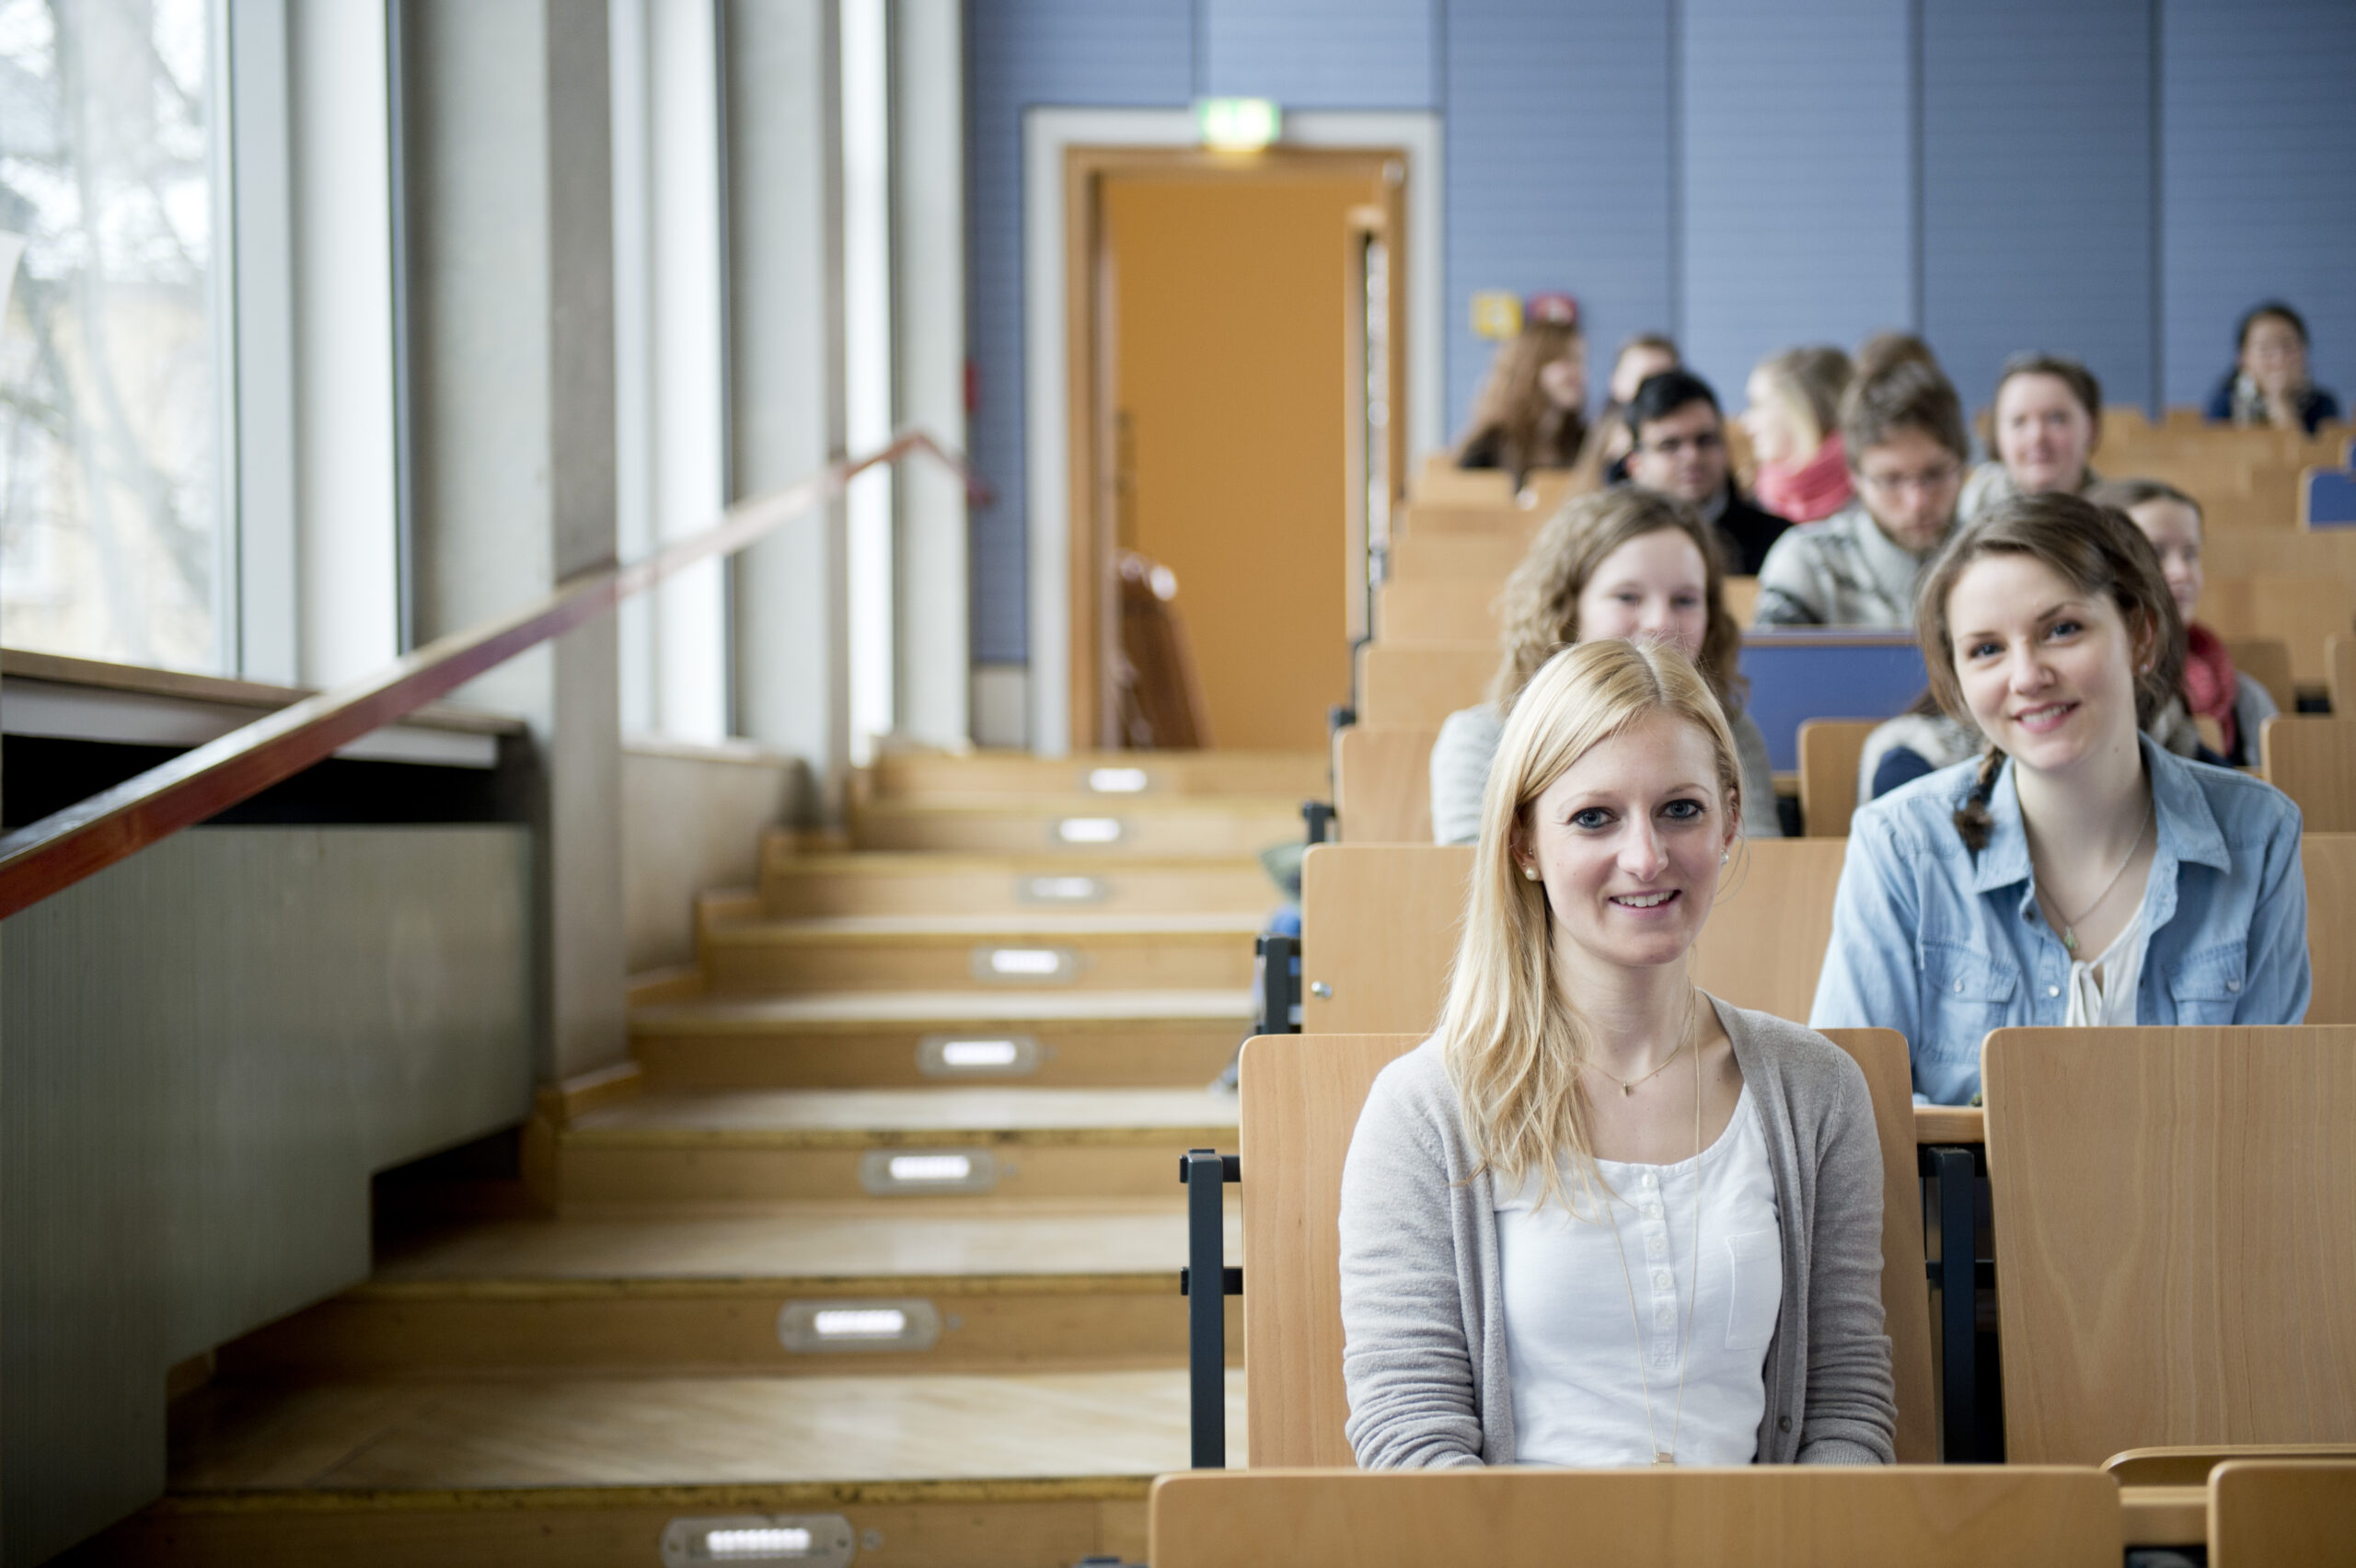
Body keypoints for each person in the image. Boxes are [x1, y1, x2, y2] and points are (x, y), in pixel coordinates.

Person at [1341, 638, 1898, 1470]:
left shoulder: (1814, 1090)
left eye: (1681, 809)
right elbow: (1410, 1434)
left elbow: (1848, 1409)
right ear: (1526, 843)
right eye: (1594, 817)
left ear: (1732, 819)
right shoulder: (1426, 1108)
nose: (1646, 856)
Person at [1812, 493, 2310, 1107]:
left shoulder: (2259, 834)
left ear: (2139, 634)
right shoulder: (1899, 842)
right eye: (1986, 649)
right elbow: (1846, 1115)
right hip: (1971, 1208)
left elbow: (2270, 1118)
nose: (2026, 676)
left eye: (2062, 629)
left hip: (2197, 1205)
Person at [1431, 489, 1782, 844]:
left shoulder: (1734, 732)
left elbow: (1764, 882)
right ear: (1567, 611)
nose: (1660, 622)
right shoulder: (1484, 739)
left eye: (1685, 600)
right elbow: (1486, 889)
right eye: (1627, 597)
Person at [1751, 359, 1969, 628]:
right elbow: (1773, 669)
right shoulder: (1809, 561)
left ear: (1962, 466)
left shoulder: (1996, 559)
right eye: (1890, 480)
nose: (1917, 503)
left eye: (1935, 474)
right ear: (1855, 477)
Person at [2093, 478, 2279, 767]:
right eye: (2155, 551)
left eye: (2190, 554)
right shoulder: (2089, 699)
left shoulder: (2246, 700)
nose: (2181, 572)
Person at [1622, 370, 1791, 575]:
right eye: (1670, 445)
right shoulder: (1614, 545)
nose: (1692, 456)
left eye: (1705, 440)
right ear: (1636, 465)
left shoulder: (1779, 545)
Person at [1958, 353, 2103, 522]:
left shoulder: (2115, 513)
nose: (2037, 437)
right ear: (1997, 434)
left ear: (2091, 428)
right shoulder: (1967, 509)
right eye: (2019, 421)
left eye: (2056, 419)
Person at [1457, 298, 1588, 483]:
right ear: (1530, 369)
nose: (1579, 373)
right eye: (1567, 360)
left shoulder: (1585, 442)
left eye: (1581, 361)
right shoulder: (1489, 447)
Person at [1744, 346, 1854, 524]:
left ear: (1802, 411)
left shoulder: (1869, 492)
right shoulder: (1751, 501)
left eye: (1759, 405)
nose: (1748, 424)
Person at [2204, 301, 2341, 435]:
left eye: (2288, 347)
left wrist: (2279, 402)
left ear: (2304, 352)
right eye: (2265, 349)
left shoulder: (2323, 404)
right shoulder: (2224, 403)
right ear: (2243, 359)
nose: (2279, 359)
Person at [1590, 333, 1682, 484]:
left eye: (1661, 381)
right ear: (1615, 381)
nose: (1650, 392)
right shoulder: (1588, 439)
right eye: (1641, 379)